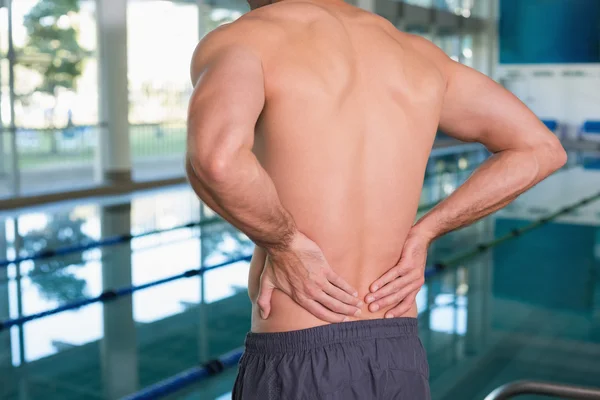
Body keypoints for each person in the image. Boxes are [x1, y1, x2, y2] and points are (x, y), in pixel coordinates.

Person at [185, 0, 567, 397]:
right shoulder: (418, 55)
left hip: (301, 345)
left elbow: (217, 160)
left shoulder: (246, 39)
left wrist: (285, 243)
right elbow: (540, 149)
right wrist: (427, 231)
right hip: (397, 349)